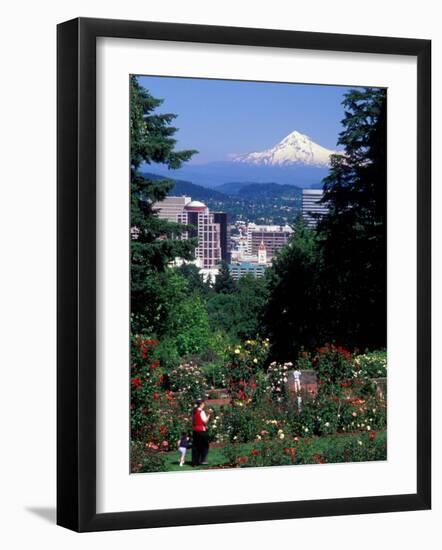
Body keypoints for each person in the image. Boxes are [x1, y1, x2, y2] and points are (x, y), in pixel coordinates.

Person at [191, 399, 212, 466]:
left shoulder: (194, 411)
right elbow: (205, 421)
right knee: (205, 446)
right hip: (201, 431)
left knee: (196, 446)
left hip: (195, 430)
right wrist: (209, 414)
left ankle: (195, 462)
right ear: (201, 404)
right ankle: (202, 460)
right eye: (203, 404)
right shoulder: (201, 412)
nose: (204, 405)